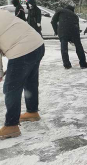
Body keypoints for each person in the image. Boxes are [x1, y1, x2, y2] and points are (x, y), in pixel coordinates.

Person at [0, 10, 45, 139]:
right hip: (38, 44)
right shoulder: (2, 12)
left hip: (22, 50)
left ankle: (11, 126)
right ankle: (32, 112)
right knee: (30, 81)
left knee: (11, 87)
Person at [51, 5, 87, 69]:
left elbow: (53, 21)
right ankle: (83, 64)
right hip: (74, 31)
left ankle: (67, 65)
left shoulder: (60, 11)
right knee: (79, 47)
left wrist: (56, 31)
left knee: (64, 48)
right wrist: (74, 39)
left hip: (63, 31)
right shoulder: (75, 15)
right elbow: (76, 26)